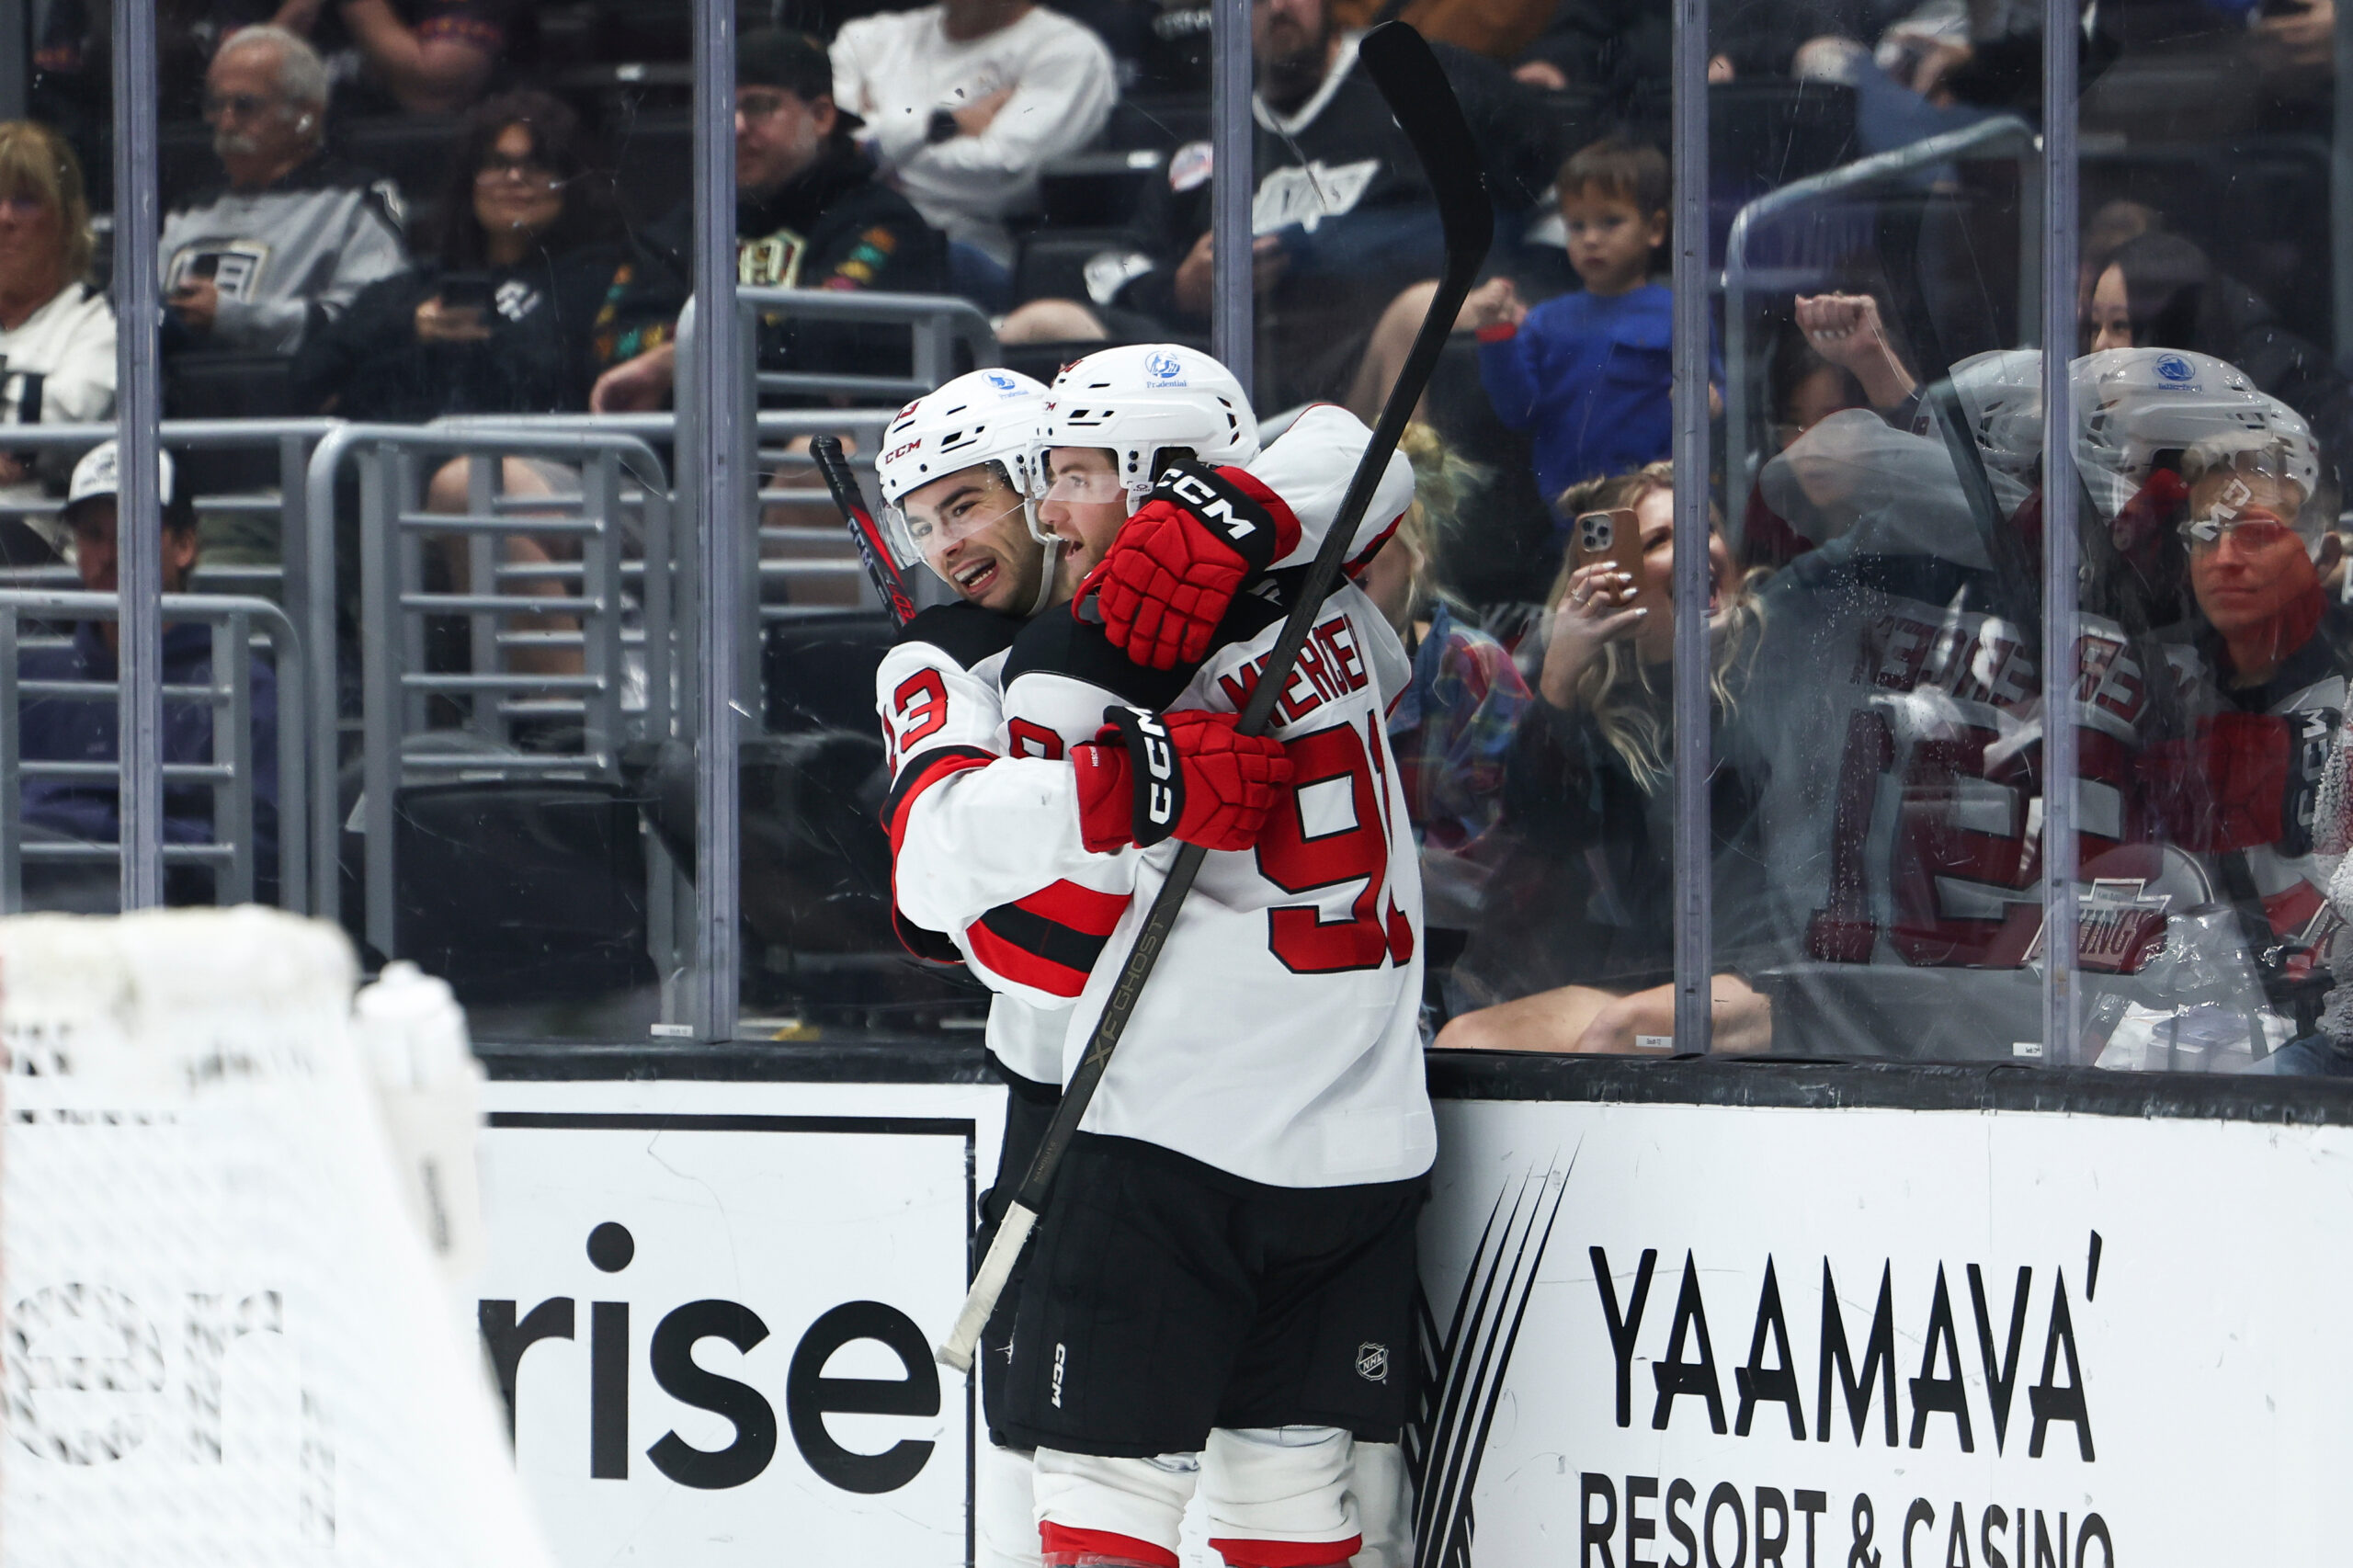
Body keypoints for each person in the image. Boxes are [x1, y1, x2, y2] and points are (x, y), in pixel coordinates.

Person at [882, 344, 1422, 1568]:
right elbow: (956, 890)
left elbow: (1344, 443)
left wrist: (1220, 523)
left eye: (973, 502)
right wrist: (1127, 785)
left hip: (1147, 1120)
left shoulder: (1086, 649)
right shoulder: (945, 654)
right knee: (1240, 1490)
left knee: (1114, 1488)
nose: (947, 548)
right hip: (1237, 1104)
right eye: (921, 523)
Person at [1435, 460, 1773, 1053]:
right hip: (1659, 972)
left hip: (1775, 967)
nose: (1696, 548)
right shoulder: (1610, 708)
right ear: (1616, 576)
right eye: (1661, 540)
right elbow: (1547, 831)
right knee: (1466, 1041)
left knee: (1620, 1034)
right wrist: (1561, 677)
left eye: (1707, 528)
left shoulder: (1783, 643)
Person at [1095, 0, 1562, 411]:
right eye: (1255, 1)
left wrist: (1541, 284)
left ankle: (1412, 511)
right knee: (1044, 322)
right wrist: (1179, 288)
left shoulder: (1419, 73)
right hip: (1251, 393)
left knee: (1413, 312)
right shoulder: (1210, 141)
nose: (1277, 7)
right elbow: (1115, 266)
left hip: (1396, 365)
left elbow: (1555, 182)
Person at [588, 29, 949, 415]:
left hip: (824, 451)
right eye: (720, 107)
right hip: (678, 462)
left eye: (759, 106)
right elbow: (611, 341)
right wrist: (698, 351)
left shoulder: (883, 222)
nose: (736, 127)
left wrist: (682, 359)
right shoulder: (690, 222)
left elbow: (829, 344)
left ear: (822, 117)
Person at [17, 442, 280, 905]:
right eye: (93, 534)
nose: (111, 553)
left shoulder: (242, 685)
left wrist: (78, 830)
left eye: (132, 530)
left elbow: (258, 857)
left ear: (185, 545)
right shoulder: (33, 676)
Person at [293, 89, 627, 423]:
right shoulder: (413, 289)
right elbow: (307, 381)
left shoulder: (601, 279)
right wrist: (411, 333)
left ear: (569, 181)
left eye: (538, 164)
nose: (515, 178)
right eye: (496, 164)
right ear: (469, 181)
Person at [1461, 139, 1723, 525]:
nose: (1591, 238)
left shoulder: (1679, 313)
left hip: (1660, 506)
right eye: (1576, 225)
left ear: (1655, 228)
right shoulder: (1544, 321)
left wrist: (1710, 401)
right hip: (1569, 511)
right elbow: (1517, 410)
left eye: (1610, 221)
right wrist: (1496, 334)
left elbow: (1717, 390)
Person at [829, 0, 1117, 311]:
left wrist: (873, 146)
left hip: (968, 252)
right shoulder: (867, 39)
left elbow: (1001, 172)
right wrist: (942, 123)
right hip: (844, 231)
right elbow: (828, 144)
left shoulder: (1067, 51)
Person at [1358, 424, 1530, 930]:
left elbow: (1486, 867)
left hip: (1447, 960)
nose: (1337, 598)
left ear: (1415, 558)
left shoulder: (1471, 669)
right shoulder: (1281, 665)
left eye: (1361, 577)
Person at [159, 25, 408, 359]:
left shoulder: (356, 201)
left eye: (245, 105)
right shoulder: (187, 209)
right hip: (171, 402)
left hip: (287, 402)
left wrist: (236, 317)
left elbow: (370, 321)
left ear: (305, 117)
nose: (226, 122)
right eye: (216, 105)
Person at [0, 120, 114, 560]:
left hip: (44, 549)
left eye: (25, 200)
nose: (4, 217)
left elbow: (59, 419)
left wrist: (23, 446)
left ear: (66, 221)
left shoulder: (100, 320)